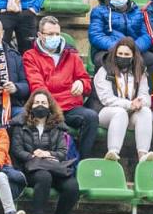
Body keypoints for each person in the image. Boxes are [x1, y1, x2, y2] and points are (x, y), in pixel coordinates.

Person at [23, 17, 99, 159]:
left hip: (71, 107)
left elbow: (87, 82)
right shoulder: (30, 56)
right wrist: (53, 107)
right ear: (40, 35)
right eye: (50, 34)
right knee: (56, 124)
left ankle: (82, 161)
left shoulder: (72, 55)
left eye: (57, 34)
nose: (55, 37)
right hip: (48, 108)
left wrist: (81, 83)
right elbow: (38, 87)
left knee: (91, 117)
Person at [10, 90, 81, 214]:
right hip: (30, 168)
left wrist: (48, 153)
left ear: (49, 106)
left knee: (72, 187)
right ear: (30, 105)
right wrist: (33, 156)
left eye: (43, 102)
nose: (40, 105)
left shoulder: (58, 125)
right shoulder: (20, 123)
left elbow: (62, 152)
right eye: (36, 102)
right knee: (44, 177)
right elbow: (17, 150)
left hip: (53, 167)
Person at [95, 38, 153, 162]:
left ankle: (143, 155)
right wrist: (129, 104)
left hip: (131, 113)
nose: (123, 57)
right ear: (114, 54)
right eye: (120, 54)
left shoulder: (139, 71)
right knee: (120, 112)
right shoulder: (104, 70)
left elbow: (145, 95)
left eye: (127, 54)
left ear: (133, 56)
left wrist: (140, 103)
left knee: (145, 111)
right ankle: (113, 153)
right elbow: (106, 99)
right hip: (106, 112)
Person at [89, 0, 153, 70]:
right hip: (107, 50)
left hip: (133, 49)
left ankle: (146, 85)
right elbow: (96, 36)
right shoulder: (99, 11)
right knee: (103, 61)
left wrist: (133, 48)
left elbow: (146, 36)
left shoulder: (137, 12)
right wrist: (118, 48)